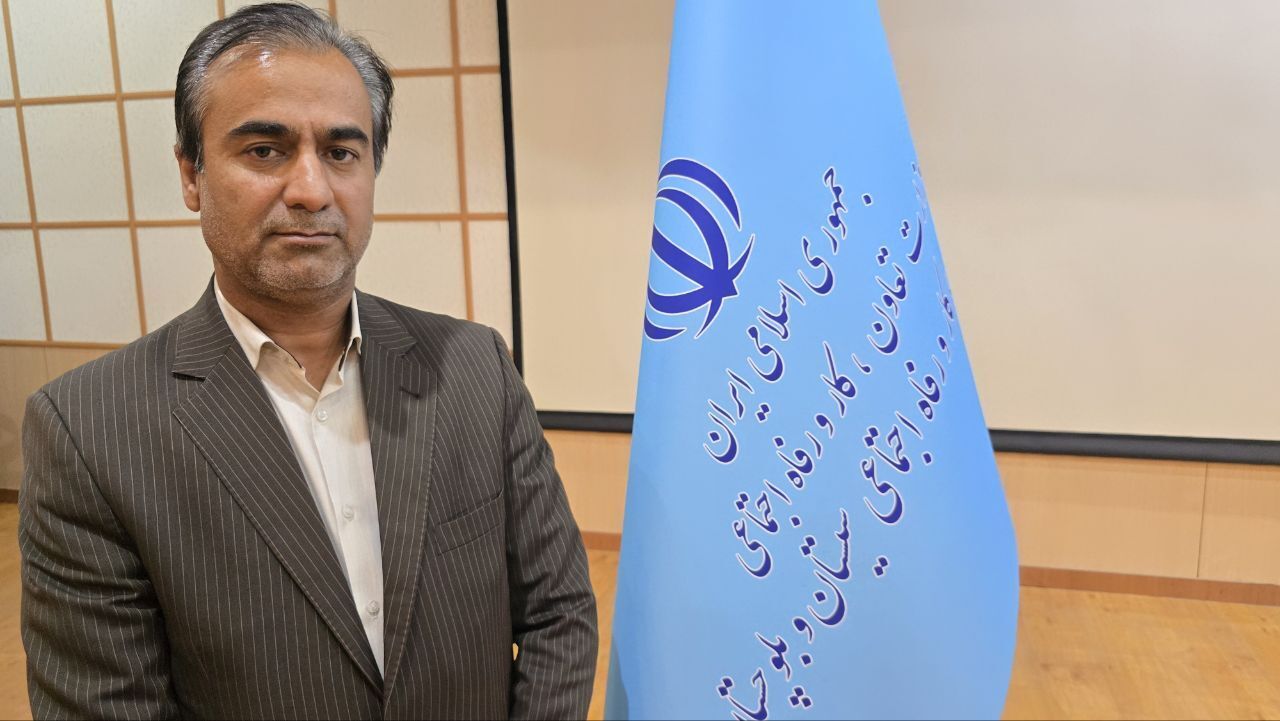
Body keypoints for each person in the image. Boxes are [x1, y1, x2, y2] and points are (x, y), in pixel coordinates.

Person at [18, 3, 597, 718]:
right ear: (192, 174)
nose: (311, 190)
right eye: (265, 150)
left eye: (341, 153)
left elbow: (559, 612)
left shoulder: (475, 367)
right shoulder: (87, 431)